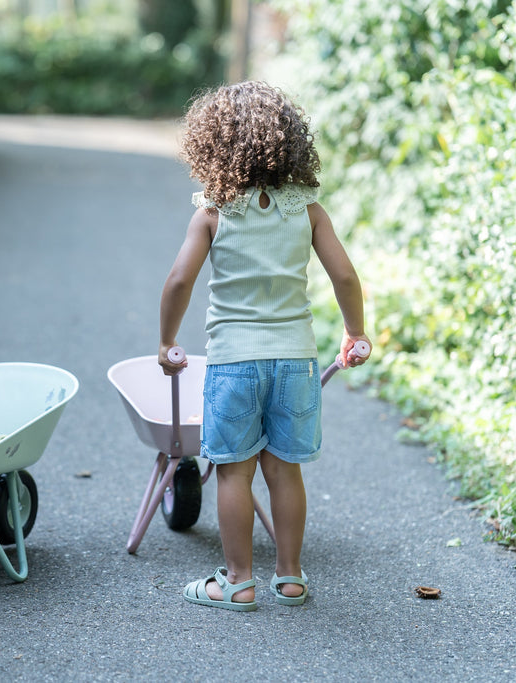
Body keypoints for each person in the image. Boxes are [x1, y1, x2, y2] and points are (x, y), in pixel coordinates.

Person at [158, 81, 371, 610]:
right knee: (285, 469)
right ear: (291, 143)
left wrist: (167, 342)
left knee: (234, 470)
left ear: (213, 145)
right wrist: (355, 332)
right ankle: (291, 577)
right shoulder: (308, 210)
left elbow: (179, 282)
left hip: (234, 361)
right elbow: (344, 276)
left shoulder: (213, 211)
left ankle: (238, 581)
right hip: (295, 358)